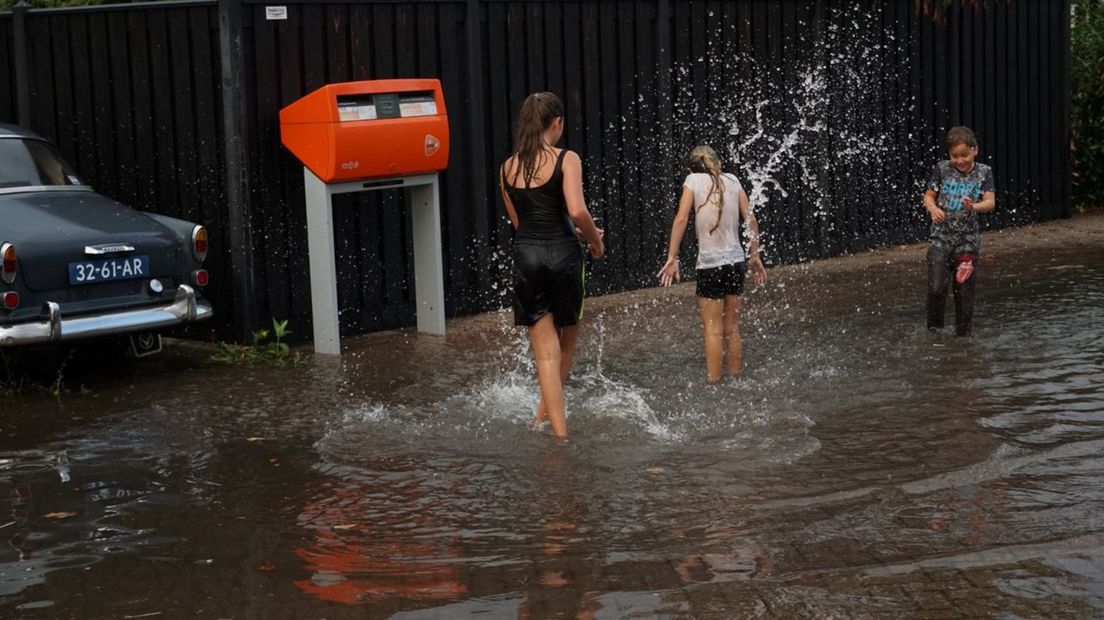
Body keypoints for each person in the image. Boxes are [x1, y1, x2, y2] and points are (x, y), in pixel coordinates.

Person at [499, 92, 604, 438]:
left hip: (527, 257)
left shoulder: (507, 167)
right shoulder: (567, 158)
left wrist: (574, 229)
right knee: (567, 344)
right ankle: (549, 421)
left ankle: (552, 428)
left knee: (545, 353)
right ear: (556, 123)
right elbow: (576, 210)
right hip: (564, 256)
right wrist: (594, 239)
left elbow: (521, 223)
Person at [657, 146, 766, 383]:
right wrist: (754, 255)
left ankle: (714, 384)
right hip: (736, 262)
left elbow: (682, 218)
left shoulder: (692, 181)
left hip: (710, 265)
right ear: (719, 163)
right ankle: (736, 379)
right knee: (732, 327)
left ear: (692, 168)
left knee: (712, 330)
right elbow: (751, 220)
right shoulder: (733, 180)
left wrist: (672, 257)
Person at [923, 126, 996, 336]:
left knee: (963, 292)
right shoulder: (942, 169)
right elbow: (928, 196)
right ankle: (934, 333)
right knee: (936, 287)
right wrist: (933, 208)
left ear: (975, 150)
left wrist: (974, 206)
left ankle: (963, 338)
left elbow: (990, 202)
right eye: (955, 156)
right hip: (940, 238)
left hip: (967, 241)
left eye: (964, 155)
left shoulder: (984, 172)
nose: (960, 160)